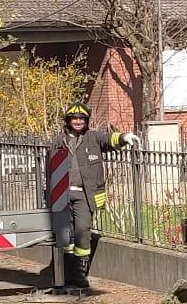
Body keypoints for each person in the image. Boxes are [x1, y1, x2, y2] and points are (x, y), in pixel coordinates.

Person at [47, 101, 135, 289]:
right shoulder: (57, 143)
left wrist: (124, 137)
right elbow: (51, 171)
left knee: (82, 230)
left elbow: (109, 139)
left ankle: (80, 272)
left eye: (81, 118)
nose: (78, 121)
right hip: (62, 195)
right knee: (65, 234)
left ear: (86, 121)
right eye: (74, 118)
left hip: (85, 196)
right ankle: (67, 270)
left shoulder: (93, 138)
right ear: (68, 120)